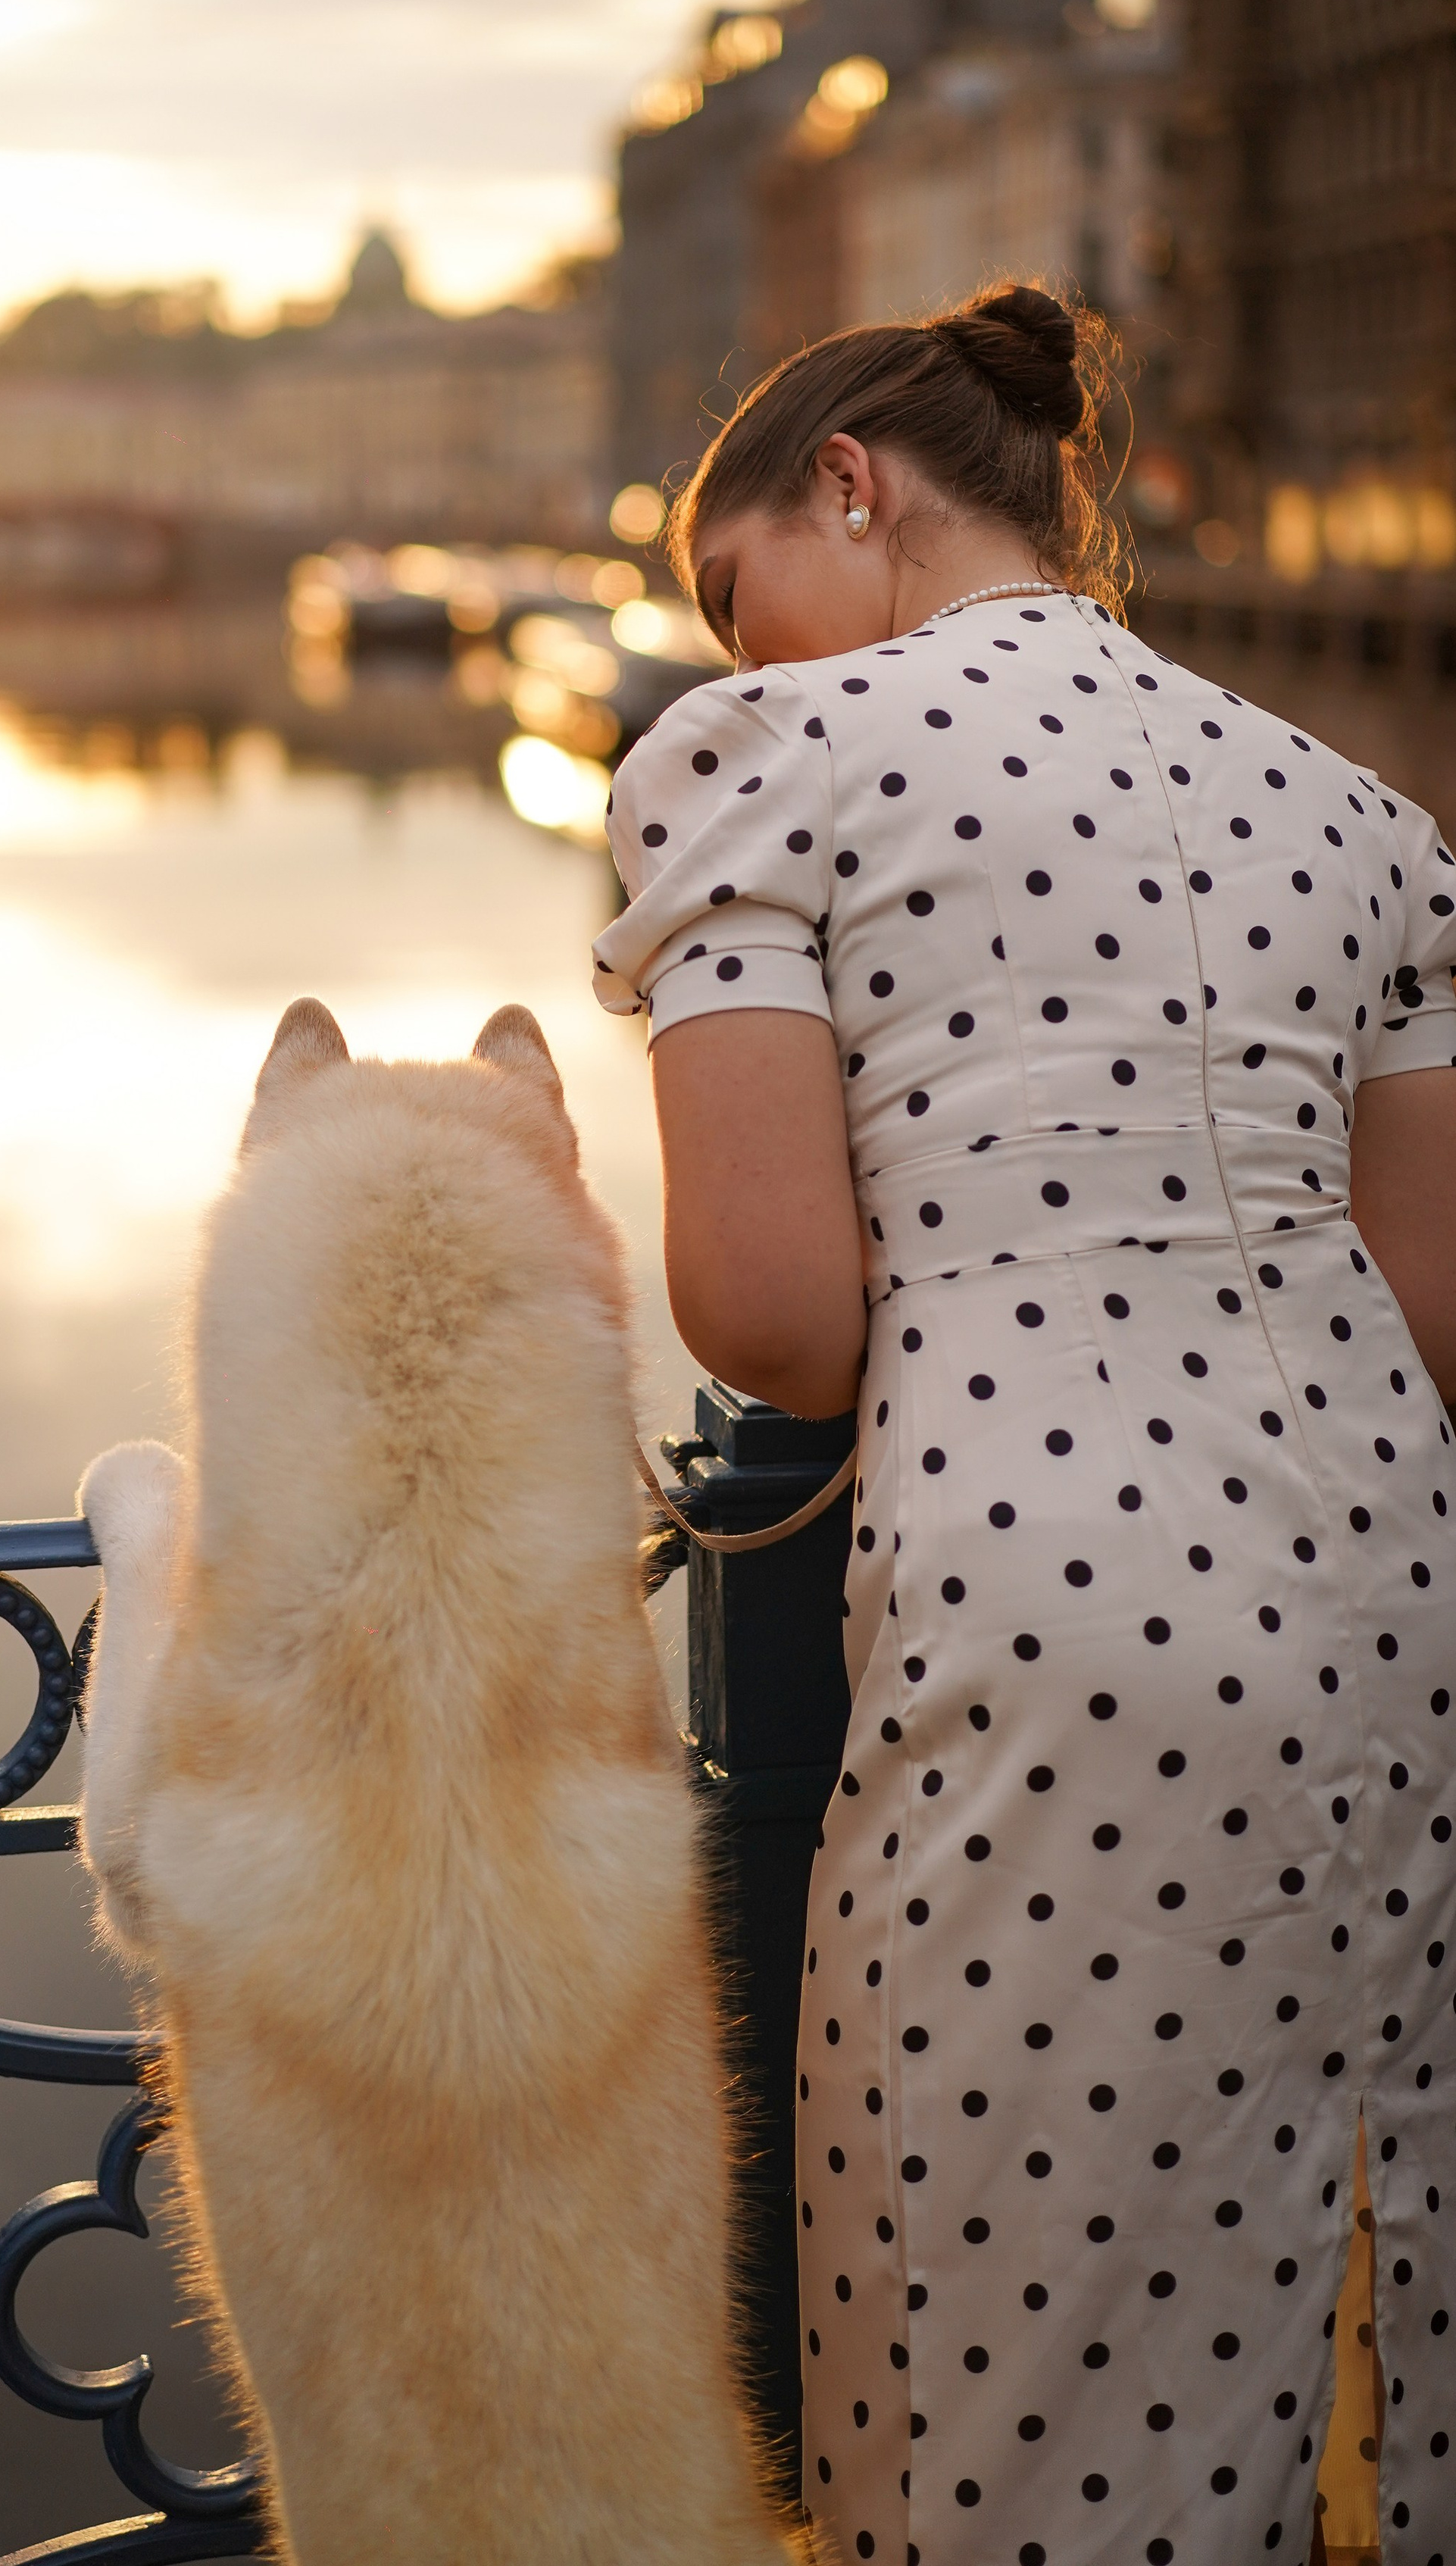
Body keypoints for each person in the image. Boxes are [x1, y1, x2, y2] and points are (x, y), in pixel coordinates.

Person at [591, 285, 1456, 2566]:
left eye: (735, 589)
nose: (735, 647)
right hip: (1396, 1601)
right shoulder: (1360, 812)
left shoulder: (758, 756)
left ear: (849, 484)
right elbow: (1435, 1299)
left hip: (1053, 1620)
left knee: (1019, 2359)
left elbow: (777, 1314)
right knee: (1355, 2272)